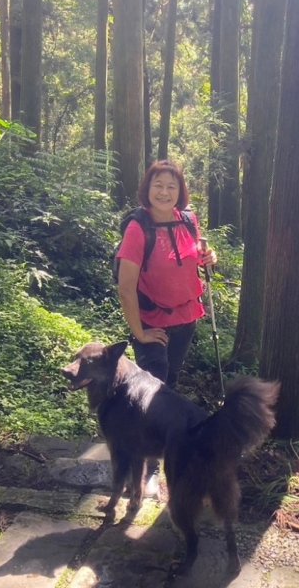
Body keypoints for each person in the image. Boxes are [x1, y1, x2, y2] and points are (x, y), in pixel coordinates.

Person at [115, 160, 217, 494]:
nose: (164, 192)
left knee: (167, 385)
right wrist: (140, 332)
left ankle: (147, 461)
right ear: (147, 189)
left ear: (180, 192)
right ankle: (144, 471)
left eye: (171, 186)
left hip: (185, 318)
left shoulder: (188, 221)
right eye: (158, 185)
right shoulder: (138, 228)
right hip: (151, 322)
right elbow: (125, 287)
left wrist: (209, 257)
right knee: (153, 392)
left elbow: (195, 258)